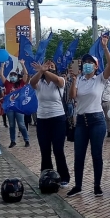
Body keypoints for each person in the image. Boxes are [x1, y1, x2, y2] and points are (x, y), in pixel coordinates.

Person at [66, 35, 110, 197]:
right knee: (79, 155)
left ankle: (97, 186)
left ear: (95, 66)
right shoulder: (79, 79)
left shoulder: (100, 79)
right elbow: (73, 96)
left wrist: (105, 47)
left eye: (90, 63)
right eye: (85, 63)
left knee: (96, 154)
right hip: (81, 121)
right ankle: (78, 186)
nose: (87, 65)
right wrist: (73, 80)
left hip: (97, 121)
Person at [29, 59, 70, 188]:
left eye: (52, 66)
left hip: (58, 118)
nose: (49, 67)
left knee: (58, 149)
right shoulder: (39, 83)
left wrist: (44, 71)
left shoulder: (60, 81)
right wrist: (40, 72)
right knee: (45, 150)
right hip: (42, 119)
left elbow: (58, 81)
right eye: (47, 65)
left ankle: (64, 176)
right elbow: (32, 83)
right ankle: (46, 176)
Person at [0, 63, 30, 148]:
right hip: (10, 107)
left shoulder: (21, 83)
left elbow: (26, 74)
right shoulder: (7, 83)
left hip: (19, 107)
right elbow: (1, 75)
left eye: (14, 75)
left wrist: (23, 65)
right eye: (11, 75)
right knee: (12, 125)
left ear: (17, 77)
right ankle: (13, 141)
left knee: (21, 124)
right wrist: (2, 66)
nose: (13, 77)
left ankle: (26, 139)